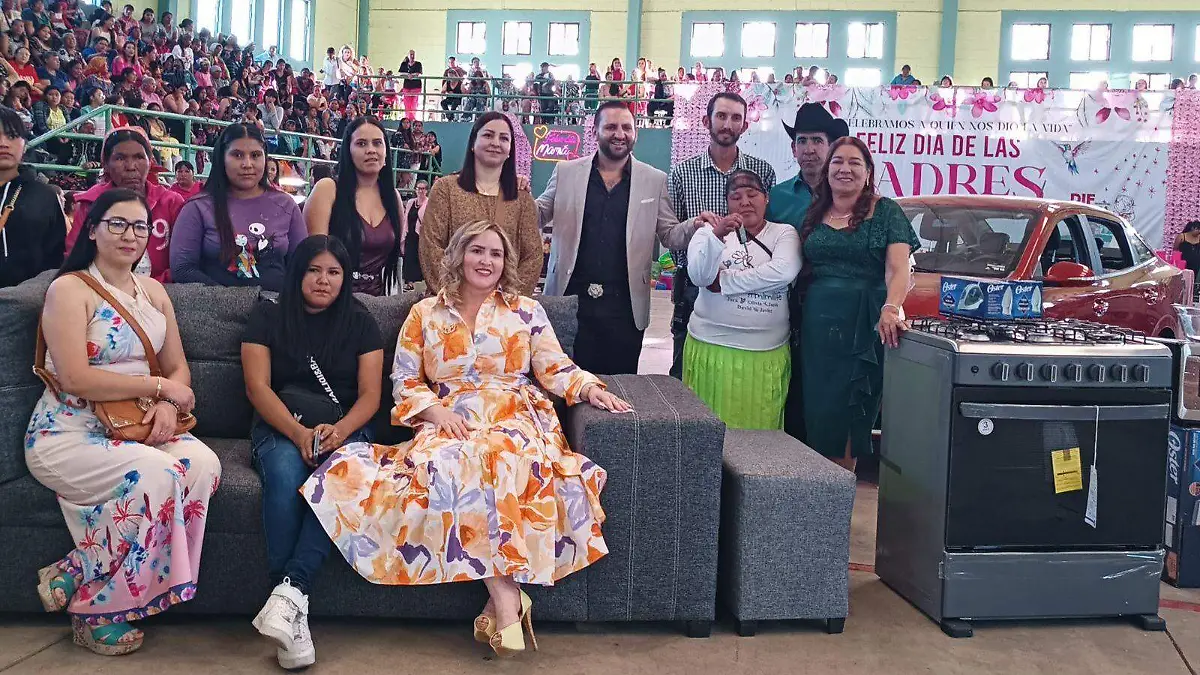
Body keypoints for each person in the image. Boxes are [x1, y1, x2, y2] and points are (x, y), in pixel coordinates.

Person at [300, 220, 630, 656]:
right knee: (447, 464)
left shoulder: (526, 311)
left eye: (496, 253)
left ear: (505, 262)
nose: (486, 261)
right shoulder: (425, 313)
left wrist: (589, 389)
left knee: (502, 455)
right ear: (458, 255)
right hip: (448, 415)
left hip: (513, 413)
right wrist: (435, 412)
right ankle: (508, 597)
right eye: (477, 250)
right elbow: (404, 379)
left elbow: (555, 367)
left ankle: (505, 604)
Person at [26, 187, 221, 656]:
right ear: (92, 230)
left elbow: (178, 368)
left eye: (139, 226)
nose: (130, 235)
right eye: (117, 223)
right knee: (158, 475)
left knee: (203, 465)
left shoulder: (153, 292)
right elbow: (75, 378)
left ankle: (77, 566)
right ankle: (98, 610)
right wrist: (157, 388)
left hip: (139, 425)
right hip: (68, 431)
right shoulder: (68, 289)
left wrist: (168, 406)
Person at [242, 234, 383, 670]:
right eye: (314, 270)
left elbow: (370, 396)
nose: (324, 280)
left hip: (344, 428)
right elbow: (257, 388)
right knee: (287, 477)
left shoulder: (361, 322)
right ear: (297, 272)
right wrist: (298, 432)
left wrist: (339, 432)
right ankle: (292, 609)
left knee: (340, 478)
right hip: (281, 426)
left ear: (345, 277)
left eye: (334, 272)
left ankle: (289, 594)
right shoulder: (267, 316)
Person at [536, 101, 698, 374]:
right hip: (568, 300)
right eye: (611, 127)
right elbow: (538, 214)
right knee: (561, 383)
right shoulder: (566, 172)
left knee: (620, 388)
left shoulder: (654, 179)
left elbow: (670, 235)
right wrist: (511, 193)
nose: (619, 134)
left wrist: (696, 225)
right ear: (594, 131)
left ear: (636, 133)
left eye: (626, 127)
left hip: (625, 307)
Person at [799, 136, 920, 471]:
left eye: (855, 163)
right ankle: (821, 494)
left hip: (862, 327)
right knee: (818, 415)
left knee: (849, 417)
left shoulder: (886, 212)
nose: (845, 169)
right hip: (817, 332)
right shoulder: (815, 212)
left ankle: (840, 495)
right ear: (827, 170)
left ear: (868, 173)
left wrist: (891, 308)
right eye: (838, 161)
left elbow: (898, 269)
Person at [667, 92, 776, 378]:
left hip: (749, 287)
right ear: (707, 121)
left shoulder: (762, 172)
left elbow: (769, 229)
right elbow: (672, 235)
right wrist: (698, 233)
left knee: (742, 372)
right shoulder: (683, 173)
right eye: (721, 116)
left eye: (736, 118)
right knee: (686, 371)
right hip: (694, 287)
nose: (728, 124)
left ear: (745, 126)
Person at [683, 170, 800, 429]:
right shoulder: (707, 231)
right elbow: (700, 275)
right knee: (708, 431)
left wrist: (724, 282)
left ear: (766, 198)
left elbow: (784, 271)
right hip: (711, 348)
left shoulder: (783, 232)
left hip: (765, 355)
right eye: (736, 197)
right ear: (726, 202)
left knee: (759, 433)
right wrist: (717, 236)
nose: (745, 202)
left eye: (752, 194)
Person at [169, 123, 306, 291]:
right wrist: (235, 300)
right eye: (237, 155)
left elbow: (301, 265)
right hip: (215, 305)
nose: (247, 164)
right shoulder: (197, 208)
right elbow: (182, 269)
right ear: (222, 158)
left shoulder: (286, 204)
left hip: (277, 304)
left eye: (255, 155)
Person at [420, 112, 542, 295]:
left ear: (510, 149)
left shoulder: (522, 200)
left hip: (505, 307)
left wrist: (506, 300)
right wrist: (457, 297)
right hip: (450, 303)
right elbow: (431, 247)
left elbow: (533, 257)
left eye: (504, 138)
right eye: (488, 135)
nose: (495, 143)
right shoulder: (446, 189)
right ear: (473, 143)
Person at [67, 127, 185, 281]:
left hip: (164, 289)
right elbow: (75, 258)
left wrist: (151, 288)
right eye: (120, 158)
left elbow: (183, 262)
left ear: (150, 161)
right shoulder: (90, 203)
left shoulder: (171, 202)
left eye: (139, 157)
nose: (130, 166)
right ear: (106, 164)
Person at [303, 116, 402, 296]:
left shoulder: (393, 197)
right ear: (348, 151)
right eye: (361, 144)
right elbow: (314, 260)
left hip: (378, 303)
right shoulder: (327, 189)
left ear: (386, 152)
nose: (371, 150)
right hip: (332, 299)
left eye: (377, 143)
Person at [0, 105, 66, 287]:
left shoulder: (45, 196)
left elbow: (55, 260)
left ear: (24, 144)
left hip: (25, 300)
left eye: (12, 136)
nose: (3, 143)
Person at [400, 178, 427, 290]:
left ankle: (418, 282)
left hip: (421, 236)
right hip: (410, 234)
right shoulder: (411, 202)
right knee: (408, 258)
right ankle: (409, 282)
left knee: (418, 259)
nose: (420, 191)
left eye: (423, 189)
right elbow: (405, 217)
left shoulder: (428, 203)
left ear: (426, 190)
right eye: (418, 188)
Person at [1174, 222, 1200, 297]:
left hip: (1196, 263)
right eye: (1198, 229)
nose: (1198, 232)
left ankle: (1192, 294)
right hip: (1183, 263)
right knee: (1183, 279)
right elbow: (1175, 249)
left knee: (1194, 279)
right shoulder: (1182, 236)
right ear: (1192, 228)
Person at [398, 50, 422, 119]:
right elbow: (401, 73)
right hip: (407, 86)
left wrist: (411, 75)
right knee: (407, 103)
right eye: (411, 54)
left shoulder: (418, 64)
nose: (412, 56)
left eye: (413, 54)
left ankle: (413, 118)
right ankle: (407, 117)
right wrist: (407, 74)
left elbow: (418, 73)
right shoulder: (404, 64)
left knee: (414, 103)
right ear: (408, 55)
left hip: (416, 86)